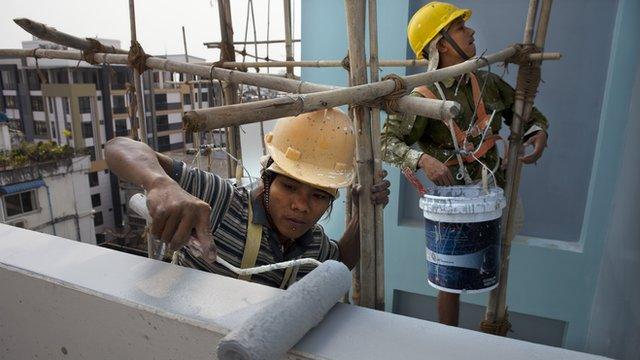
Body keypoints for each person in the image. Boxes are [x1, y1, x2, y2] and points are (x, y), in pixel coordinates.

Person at [381, 1, 549, 326]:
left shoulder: (487, 84)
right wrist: (422, 159)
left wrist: (538, 130)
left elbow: (525, 113)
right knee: (450, 276)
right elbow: (385, 142)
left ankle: (493, 323)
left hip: (493, 192)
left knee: (497, 260)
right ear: (441, 44)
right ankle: (449, 342)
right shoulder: (422, 96)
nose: (470, 31)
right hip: (453, 206)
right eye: (459, 27)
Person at [106, 108, 390, 289]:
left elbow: (341, 260)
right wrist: (161, 183)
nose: (301, 206)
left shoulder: (312, 244)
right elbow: (119, 147)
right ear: (267, 178)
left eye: (318, 195)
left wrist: (365, 212)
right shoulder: (221, 202)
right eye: (289, 187)